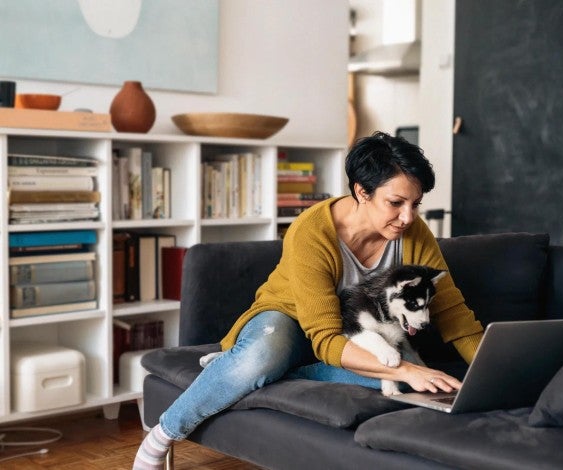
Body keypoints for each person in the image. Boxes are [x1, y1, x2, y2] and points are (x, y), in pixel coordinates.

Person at [133, 131, 484, 469]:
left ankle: (268, 371)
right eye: (395, 203)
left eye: (415, 204)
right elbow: (325, 337)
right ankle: (163, 433)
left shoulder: (413, 232)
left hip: (354, 335)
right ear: (362, 191)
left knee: (410, 382)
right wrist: (406, 367)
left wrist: (487, 368)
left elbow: (452, 313)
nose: (408, 217)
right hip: (289, 319)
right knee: (263, 355)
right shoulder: (312, 230)